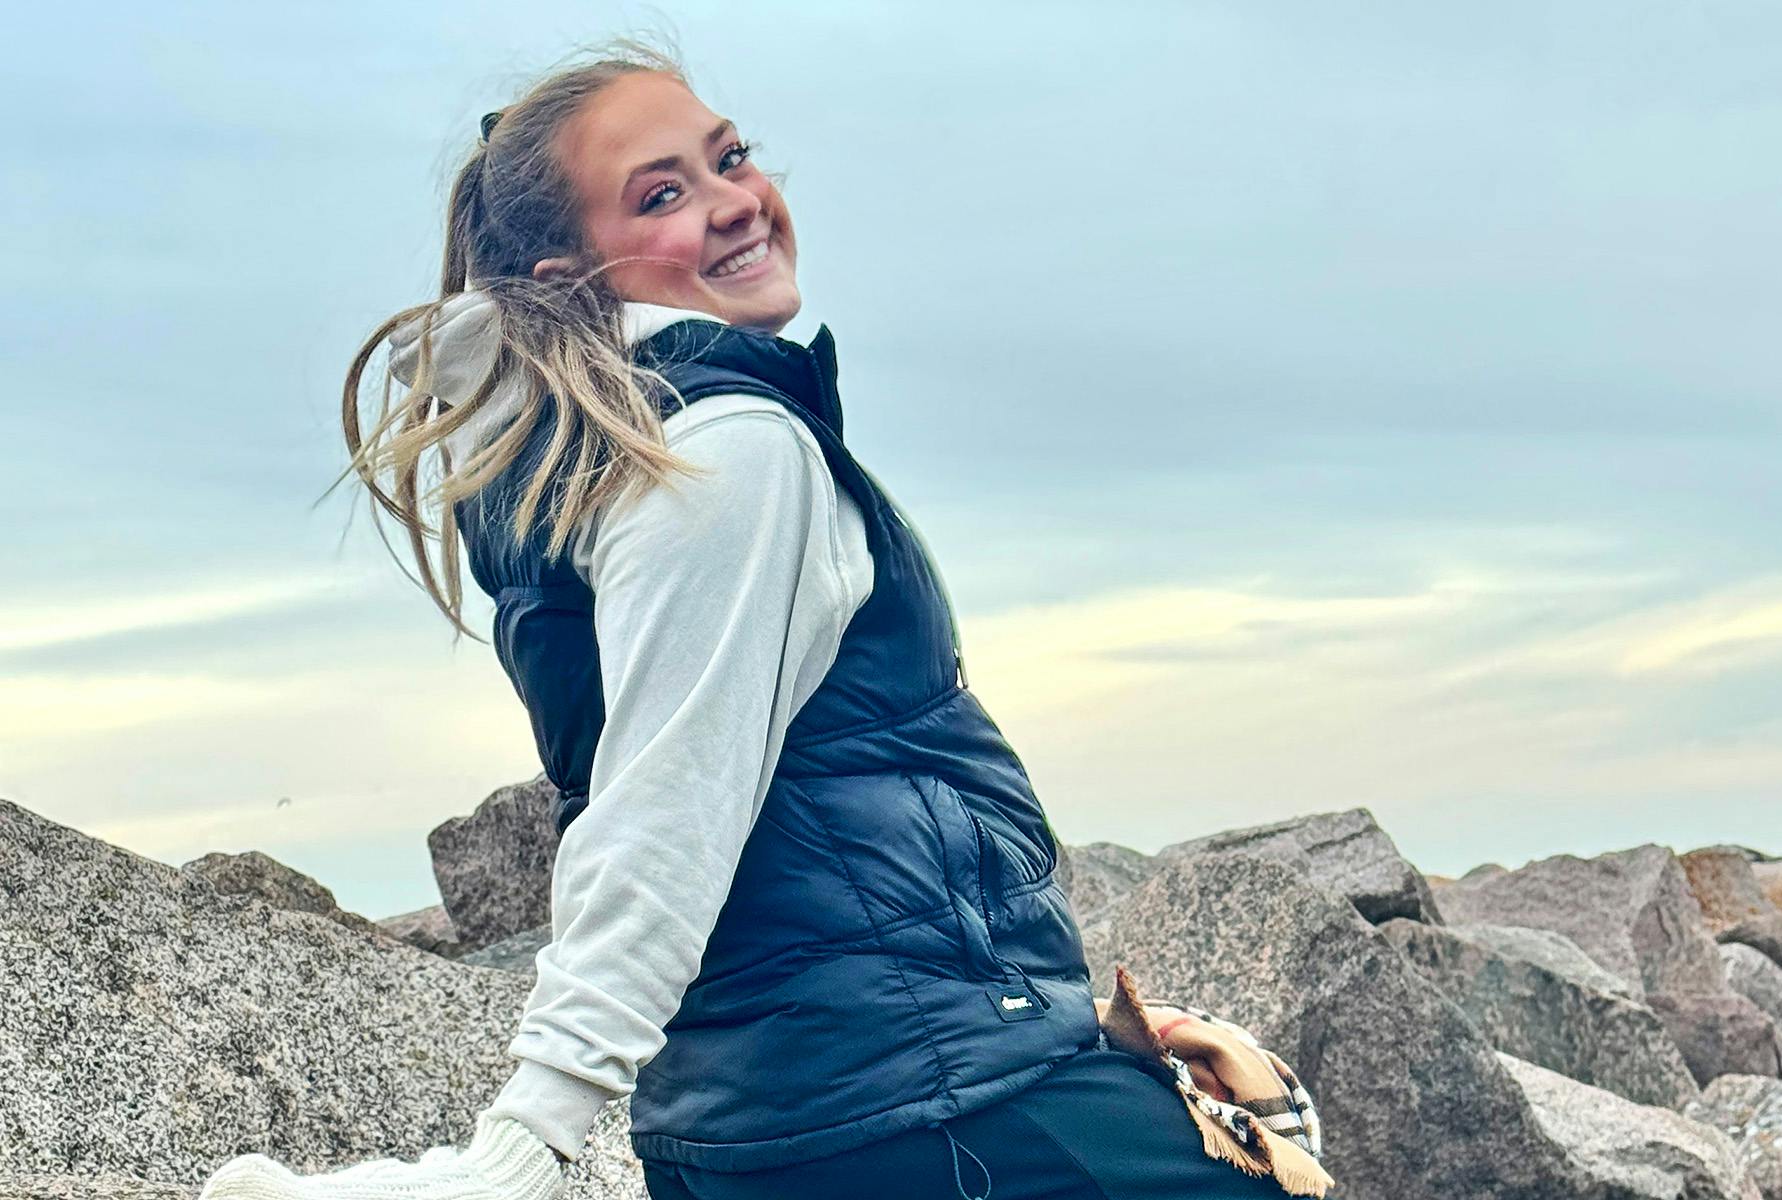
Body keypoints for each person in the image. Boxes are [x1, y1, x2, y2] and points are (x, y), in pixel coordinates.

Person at [199, 36, 1311, 1200]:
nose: (736, 204)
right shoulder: (729, 451)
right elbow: (663, 808)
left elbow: (787, 821)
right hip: (916, 1113)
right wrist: (518, 1154)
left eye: (729, 158)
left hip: (764, 1119)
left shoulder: (572, 456)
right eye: (665, 194)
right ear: (568, 275)